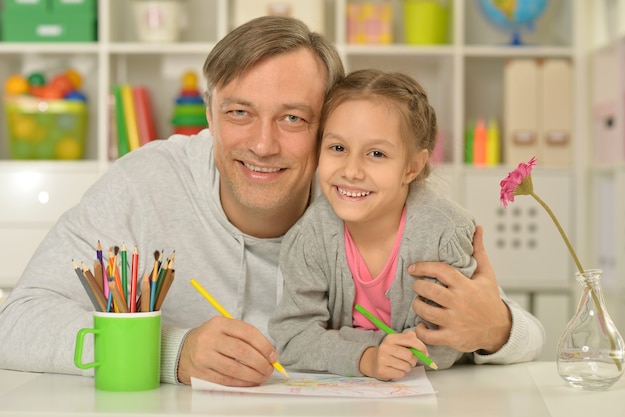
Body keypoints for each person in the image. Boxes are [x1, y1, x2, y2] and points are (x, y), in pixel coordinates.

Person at [0, 16, 544, 388]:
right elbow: (16, 322)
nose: (263, 144)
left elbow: (518, 332)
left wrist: (495, 328)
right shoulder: (143, 184)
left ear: (328, 128)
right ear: (209, 117)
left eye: (293, 118)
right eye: (239, 113)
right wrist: (173, 352)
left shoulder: (366, 200)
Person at [270, 69, 478, 380]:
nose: (351, 171)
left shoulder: (444, 234)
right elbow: (292, 339)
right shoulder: (310, 236)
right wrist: (367, 357)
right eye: (338, 148)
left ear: (412, 167)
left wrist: (341, 340)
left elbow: (449, 342)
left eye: (376, 153)